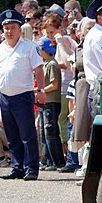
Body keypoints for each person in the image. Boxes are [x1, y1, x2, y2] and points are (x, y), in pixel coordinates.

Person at [0, 9, 45, 181]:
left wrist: (40, 91)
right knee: (11, 134)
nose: (9, 31)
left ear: (20, 29)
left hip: (23, 95)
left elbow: (39, 69)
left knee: (27, 133)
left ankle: (31, 168)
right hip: (4, 96)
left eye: (13, 27)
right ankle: (17, 167)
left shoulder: (29, 47)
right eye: (6, 28)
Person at [37, 37, 65, 171]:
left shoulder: (52, 64)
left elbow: (54, 84)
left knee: (51, 133)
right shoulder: (46, 64)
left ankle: (57, 161)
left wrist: (40, 90)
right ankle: (48, 160)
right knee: (44, 133)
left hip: (51, 102)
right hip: (46, 102)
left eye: (41, 49)